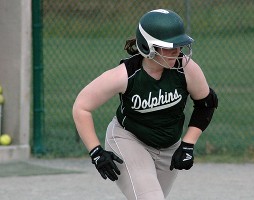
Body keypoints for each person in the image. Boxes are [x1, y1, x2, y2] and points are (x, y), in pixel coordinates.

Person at [72, 9, 218, 199]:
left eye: (179, 45)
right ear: (148, 46)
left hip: (170, 147)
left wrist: (188, 143)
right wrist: (96, 151)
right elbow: (81, 107)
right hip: (129, 140)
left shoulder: (186, 68)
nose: (177, 51)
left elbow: (206, 104)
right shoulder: (124, 75)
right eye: (169, 46)